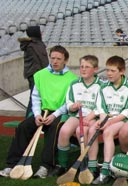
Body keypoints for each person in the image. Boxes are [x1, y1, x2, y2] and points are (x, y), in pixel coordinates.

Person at [0, 45, 77, 178]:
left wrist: (54, 115)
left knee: (54, 128)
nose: (55, 61)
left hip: (60, 113)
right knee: (23, 127)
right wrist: (36, 115)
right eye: (52, 58)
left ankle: (45, 166)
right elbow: (35, 98)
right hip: (42, 111)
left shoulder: (72, 79)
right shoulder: (40, 75)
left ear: (65, 60)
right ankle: (11, 164)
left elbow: (68, 103)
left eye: (59, 58)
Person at [51, 55, 102, 177]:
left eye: (87, 67)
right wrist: (72, 106)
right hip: (75, 115)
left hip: (91, 117)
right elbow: (68, 102)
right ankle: (62, 165)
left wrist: (89, 117)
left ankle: (90, 164)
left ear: (95, 69)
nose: (83, 69)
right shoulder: (74, 84)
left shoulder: (101, 85)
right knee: (64, 131)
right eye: (81, 66)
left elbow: (101, 106)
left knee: (82, 131)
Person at [89, 56, 128, 185]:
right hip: (106, 118)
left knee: (107, 132)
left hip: (121, 119)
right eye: (107, 70)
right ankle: (92, 168)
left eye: (113, 71)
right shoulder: (103, 87)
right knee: (93, 129)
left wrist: (109, 123)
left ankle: (105, 170)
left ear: (122, 71)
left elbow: (127, 110)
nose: (109, 73)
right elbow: (101, 107)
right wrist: (103, 121)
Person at [18, 25, 49, 116]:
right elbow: (43, 61)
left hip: (32, 74)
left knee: (33, 97)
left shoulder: (29, 45)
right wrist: (48, 73)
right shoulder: (36, 45)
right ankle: (29, 119)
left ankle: (30, 118)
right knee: (35, 98)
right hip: (37, 74)